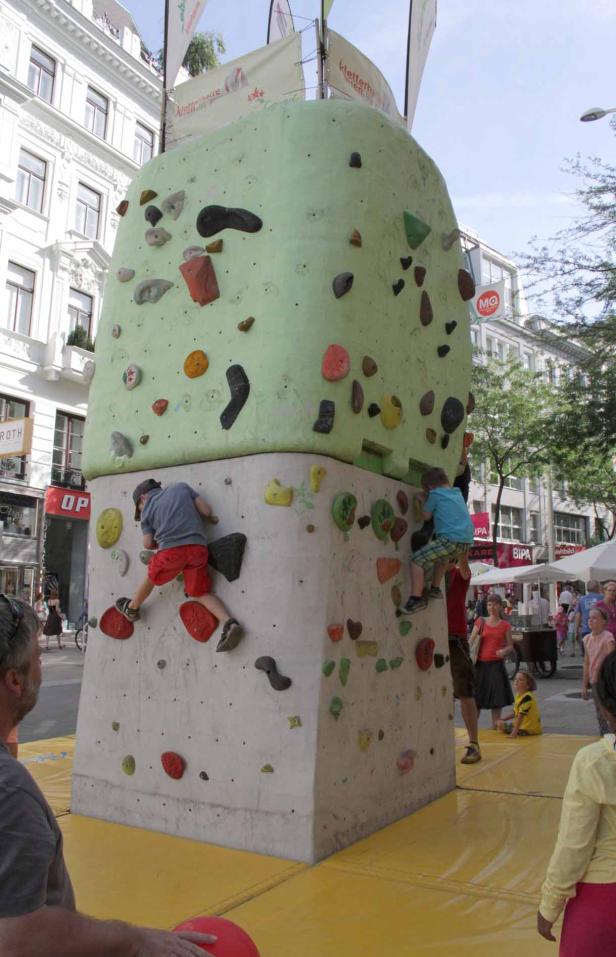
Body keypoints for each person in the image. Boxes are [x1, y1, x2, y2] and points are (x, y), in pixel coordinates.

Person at [0, 594, 217, 956]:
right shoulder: (10, 793)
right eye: (38, 658)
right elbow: (19, 936)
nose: (41, 666)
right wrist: (133, 940)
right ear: (14, 681)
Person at [537, 649, 616, 954]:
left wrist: (549, 905)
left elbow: (574, 845)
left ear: (605, 706)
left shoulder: (594, 762)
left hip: (604, 902)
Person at [116, 479, 244, 653]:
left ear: (143, 498)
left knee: (153, 575)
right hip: (198, 549)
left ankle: (132, 608)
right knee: (198, 592)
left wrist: (159, 543)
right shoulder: (181, 487)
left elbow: (147, 544)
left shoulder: (147, 508)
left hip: (171, 551)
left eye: (138, 506)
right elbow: (206, 510)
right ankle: (229, 623)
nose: (140, 510)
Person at [402, 467, 474, 615]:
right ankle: (435, 589)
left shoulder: (434, 494)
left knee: (416, 560)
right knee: (442, 559)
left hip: (450, 539)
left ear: (429, 488)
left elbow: (426, 516)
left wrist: (423, 500)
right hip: (466, 541)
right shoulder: (457, 493)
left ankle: (416, 599)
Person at [445, 554, 481, 764]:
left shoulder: (457, 575)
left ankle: (474, 743)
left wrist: (461, 549)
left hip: (454, 638)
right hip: (437, 637)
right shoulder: (434, 576)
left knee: (464, 691)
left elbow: (465, 569)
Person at [469, 593, 515, 728]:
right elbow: (471, 641)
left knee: (497, 700)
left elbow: (510, 645)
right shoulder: (480, 621)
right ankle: (472, 730)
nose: (492, 607)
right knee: (476, 700)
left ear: (500, 606)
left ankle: (495, 727)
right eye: (489, 604)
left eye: (495, 604)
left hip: (496, 666)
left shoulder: (505, 625)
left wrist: (503, 651)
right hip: (480, 665)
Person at [582, 606, 616, 736]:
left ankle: (612, 737)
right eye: (589, 618)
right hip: (594, 680)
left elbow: (611, 661)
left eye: (594, 618)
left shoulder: (608, 638)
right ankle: (605, 737)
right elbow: (586, 663)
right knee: (600, 712)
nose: (590, 620)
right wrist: (584, 685)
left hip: (606, 681)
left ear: (603, 621)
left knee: (609, 711)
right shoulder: (587, 639)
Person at [496, 671, 542, 737]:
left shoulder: (527, 697)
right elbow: (515, 713)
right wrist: (503, 719)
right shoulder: (519, 695)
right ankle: (515, 729)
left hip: (528, 729)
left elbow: (521, 715)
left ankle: (518, 732)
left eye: (520, 680)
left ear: (528, 685)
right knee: (500, 722)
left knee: (500, 725)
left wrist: (514, 732)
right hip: (525, 726)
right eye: (515, 679)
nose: (516, 681)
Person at [575, 579, 603, 648]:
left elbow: (578, 616)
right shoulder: (603, 598)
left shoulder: (581, 599)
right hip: (600, 630)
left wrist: (576, 630)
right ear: (597, 587)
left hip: (586, 630)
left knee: (587, 654)